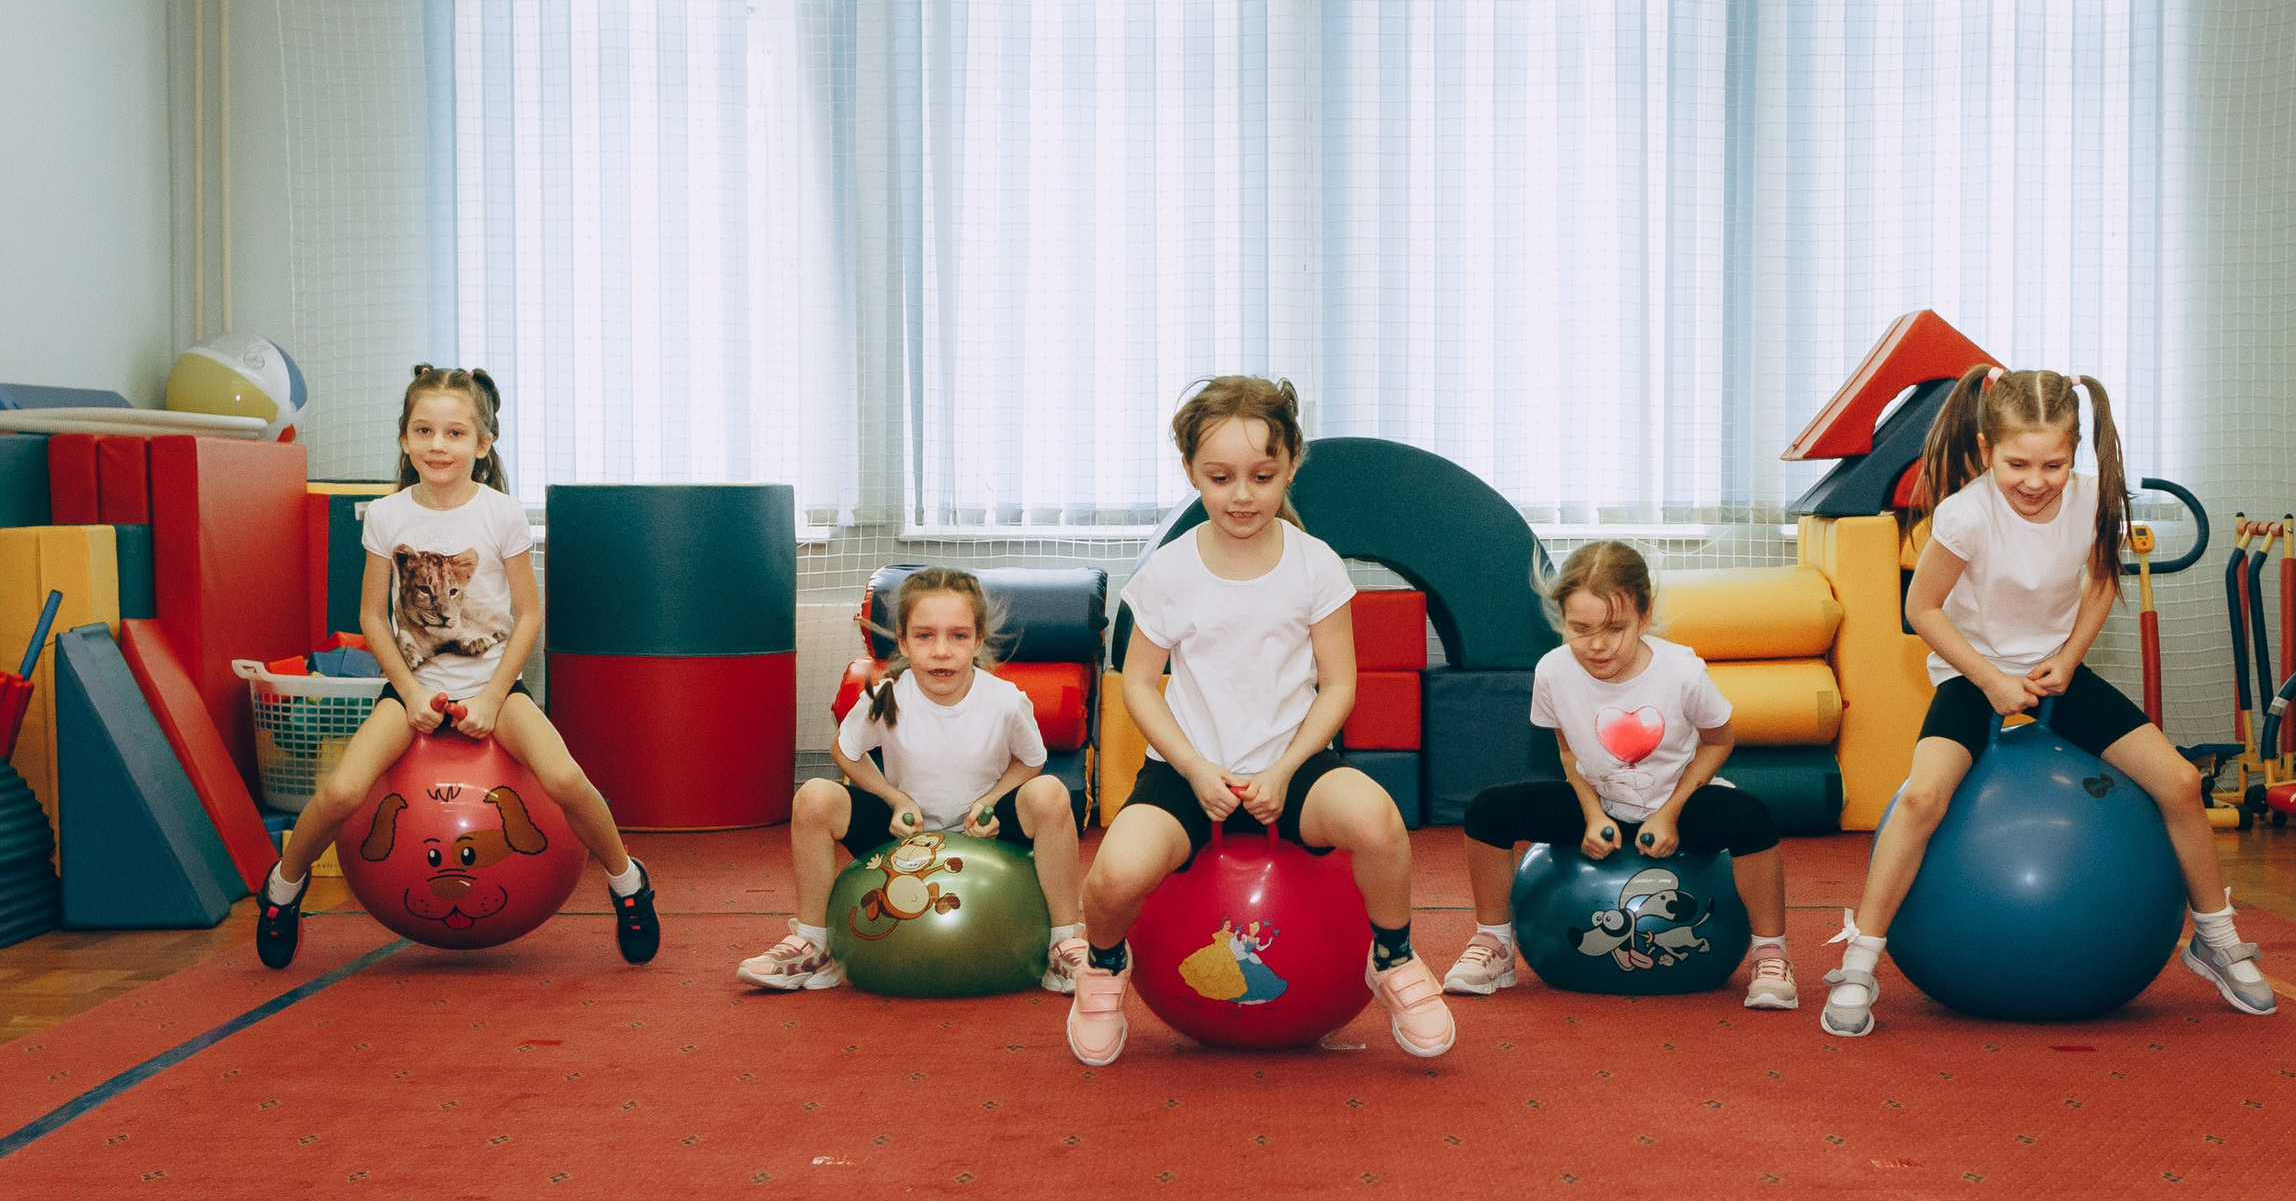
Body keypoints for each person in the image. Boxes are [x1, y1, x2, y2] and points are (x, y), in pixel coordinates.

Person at [1824, 365, 2275, 1036]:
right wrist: (1988, 679)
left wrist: (2068, 657)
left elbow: (2099, 584)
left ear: (2074, 454)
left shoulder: (2094, 501)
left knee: (2181, 782)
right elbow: (1921, 607)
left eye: (2054, 464)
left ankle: (2214, 935)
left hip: (2056, 676)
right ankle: (1861, 960)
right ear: (1986, 451)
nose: (2035, 481)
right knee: (1922, 798)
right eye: (2017, 463)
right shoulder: (1965, 513)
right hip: (1971, 677)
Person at [1066, 375, 1455, 1068]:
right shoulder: (1167, 572)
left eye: (1261, 475)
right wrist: (1192, 766)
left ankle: (1392, 956)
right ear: (1191, 471)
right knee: (1113, 878)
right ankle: (1100, 968)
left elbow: (1338, 686)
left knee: (1381, 824)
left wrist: (1283, 768)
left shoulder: (1316, 565)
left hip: (1295, 765)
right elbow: (1141, 688)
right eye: (1220, 477)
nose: (1241, 494)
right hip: (1187, 775)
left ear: (1290, 466)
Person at [254, 365, 659, 968]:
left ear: (483, 444)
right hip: (413, 689)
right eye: (424, 431)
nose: (438, 445)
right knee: (340, 792)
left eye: (454, 433)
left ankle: (628, 884)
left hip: (496, 685)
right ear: (404, 440)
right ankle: (282, 890)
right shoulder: (387, 515)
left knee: (569, 781)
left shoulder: (501, 514)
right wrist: (410, 693)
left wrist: (494, 699)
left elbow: (527, 616)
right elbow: (371, 617)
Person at [1444, 540, 1793, 1005]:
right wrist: (1591, 815)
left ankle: (1771, 953)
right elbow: (1568, 753)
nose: (1598, 644)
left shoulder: (1681, 672)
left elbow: (1719, 741)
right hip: (1603, 802)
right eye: (1580, 628)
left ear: (1644, 617)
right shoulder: (1552, 672)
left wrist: (1669, 813)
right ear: (1562, 620)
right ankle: (1494, 943)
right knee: (1488, 811)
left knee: (1751, 818)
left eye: (1616, 628)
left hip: (1676, 804)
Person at [736, 568, 1087, 992]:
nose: (941, 651)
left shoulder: (1005, 701)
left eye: (958, 636)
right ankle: (814, 946)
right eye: (925, 636)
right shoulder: (886, 695)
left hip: (987, 836)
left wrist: (992, 801)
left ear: (978, 640)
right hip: (903, 837)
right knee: (813, 796)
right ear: (902, 640)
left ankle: (1064, 945)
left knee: (1050, 793)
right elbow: (844, 751)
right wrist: (894, 798)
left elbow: (1032, 762)